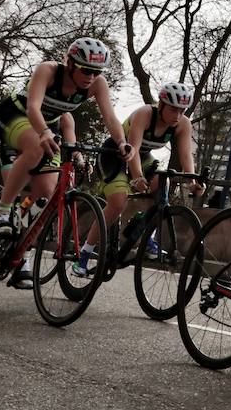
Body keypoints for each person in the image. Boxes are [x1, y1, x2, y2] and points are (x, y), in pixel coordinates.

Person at [0, 38, 130, 288]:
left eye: (96, 72)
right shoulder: (48, 70)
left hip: (46, 128)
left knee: (45, 197)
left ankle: (22, 257)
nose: (91, 76)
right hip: (15, 115)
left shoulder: (97, 84)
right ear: (70, 63)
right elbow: (33, 107)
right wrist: (43, 132)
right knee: (34, 148)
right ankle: (1, 212)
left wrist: (121, 142)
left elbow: (110, 117)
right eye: (86, 70)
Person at [73, 81, 203, 276]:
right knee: (117, 203)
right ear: (161, 104)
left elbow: (186, 156)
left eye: (182, 111)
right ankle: (84, 254)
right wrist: (137, 178)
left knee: (163, 184)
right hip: (114, 155)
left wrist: (192, 181)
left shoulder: (182, 124)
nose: (177, 116)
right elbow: (133, 147)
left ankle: (146, 235)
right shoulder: (145, 114)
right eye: (174, 110)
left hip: (142, 157)